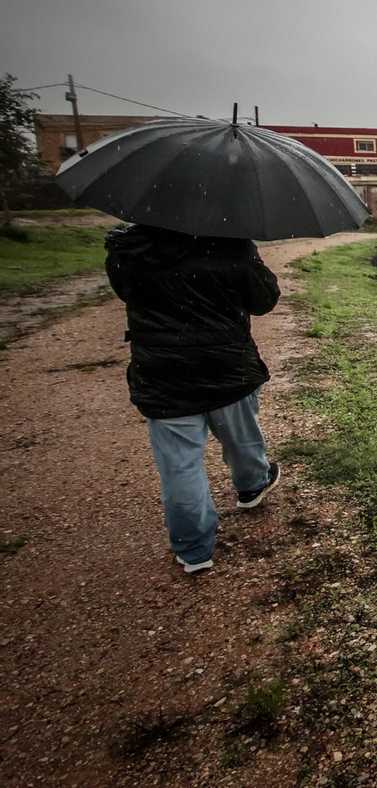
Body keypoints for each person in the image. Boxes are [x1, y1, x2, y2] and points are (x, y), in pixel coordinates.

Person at [106, 224, 282, 575]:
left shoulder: (130, 249)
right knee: (240, 436)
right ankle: (251, 486)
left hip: (163, 373)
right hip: (226, 368)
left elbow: (127, 293)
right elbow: (263, 301)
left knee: (179, 465)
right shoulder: (230, 244)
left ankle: (194, 549)